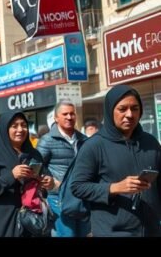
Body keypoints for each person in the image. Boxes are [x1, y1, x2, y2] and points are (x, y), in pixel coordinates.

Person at [69, 85, 161, 236]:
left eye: (135, 108)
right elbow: (78, 186)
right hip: (113, 230)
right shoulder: (94, 145)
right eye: (122, 109)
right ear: (110, 111)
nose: (129, 114)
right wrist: (114, 188)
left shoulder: (150, 143)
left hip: (151, 229)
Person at [0, 111, 55, 237]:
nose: (20, 129)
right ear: (5, 129)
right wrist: (12, 175)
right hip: (3, 222)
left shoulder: (34, 154)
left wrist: (48, 182)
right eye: (14, 126)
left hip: (31, 221)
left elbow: (45, 180)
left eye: (23, 125)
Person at [36, 99, 88, 237]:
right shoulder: (47, 140)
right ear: (56, 117)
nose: (69, 117)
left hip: (82, 197)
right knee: (67, 234)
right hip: (59, 198)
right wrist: (52, 181)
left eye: (72, 114)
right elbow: (36, 165)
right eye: (65, 114)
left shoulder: (84, 139)